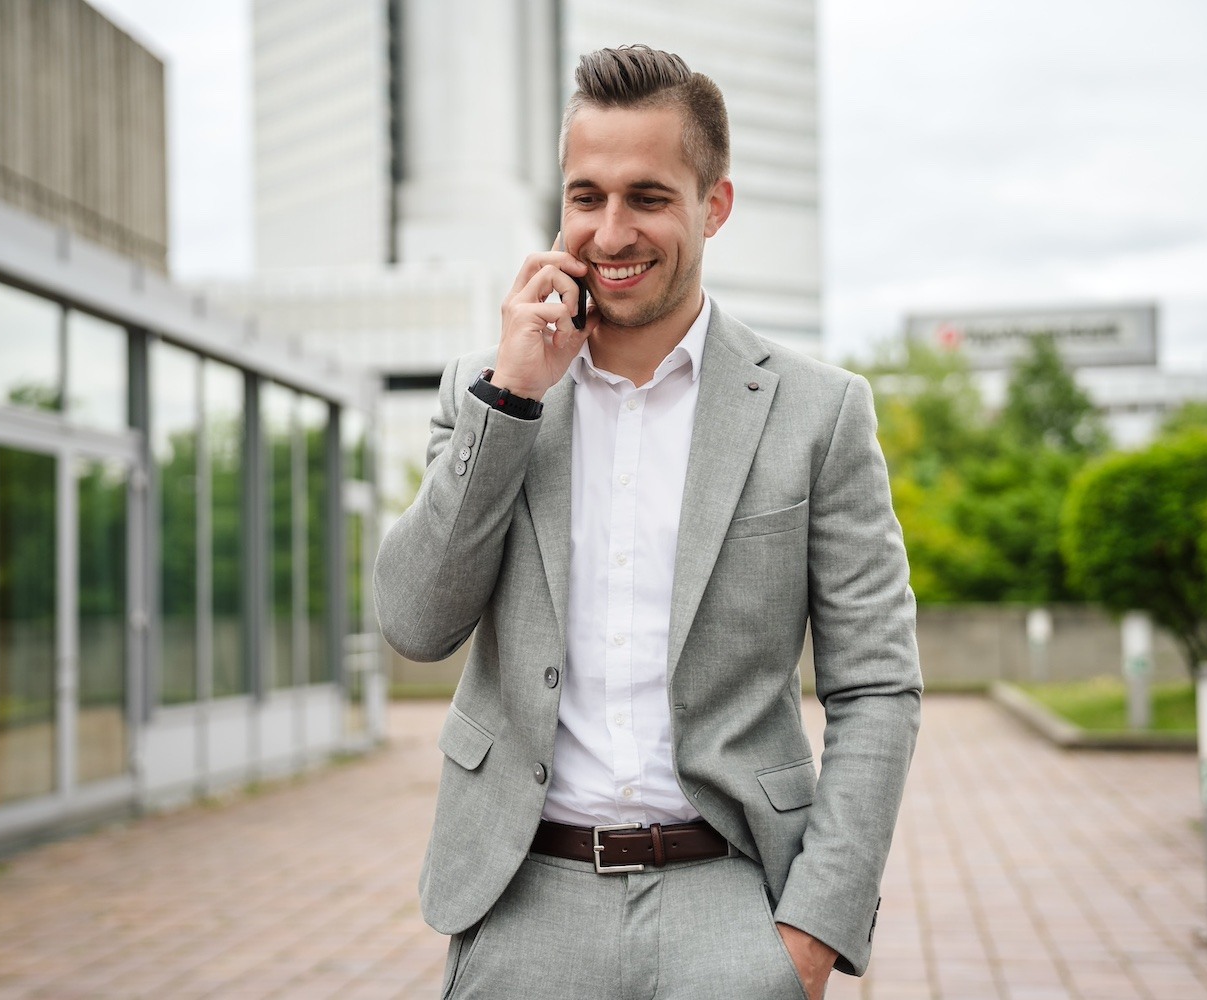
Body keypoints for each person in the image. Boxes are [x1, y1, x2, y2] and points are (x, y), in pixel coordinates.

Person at [375, 43, 922, 1000]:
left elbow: (877, 686)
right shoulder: (487, 390)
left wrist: (809, 936)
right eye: (586, 197)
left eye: (649, 197)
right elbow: (417, 623)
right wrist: (510, 401)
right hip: (519, 903)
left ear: (714, 205)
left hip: (734, 904)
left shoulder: (816, 412)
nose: (611, 231)